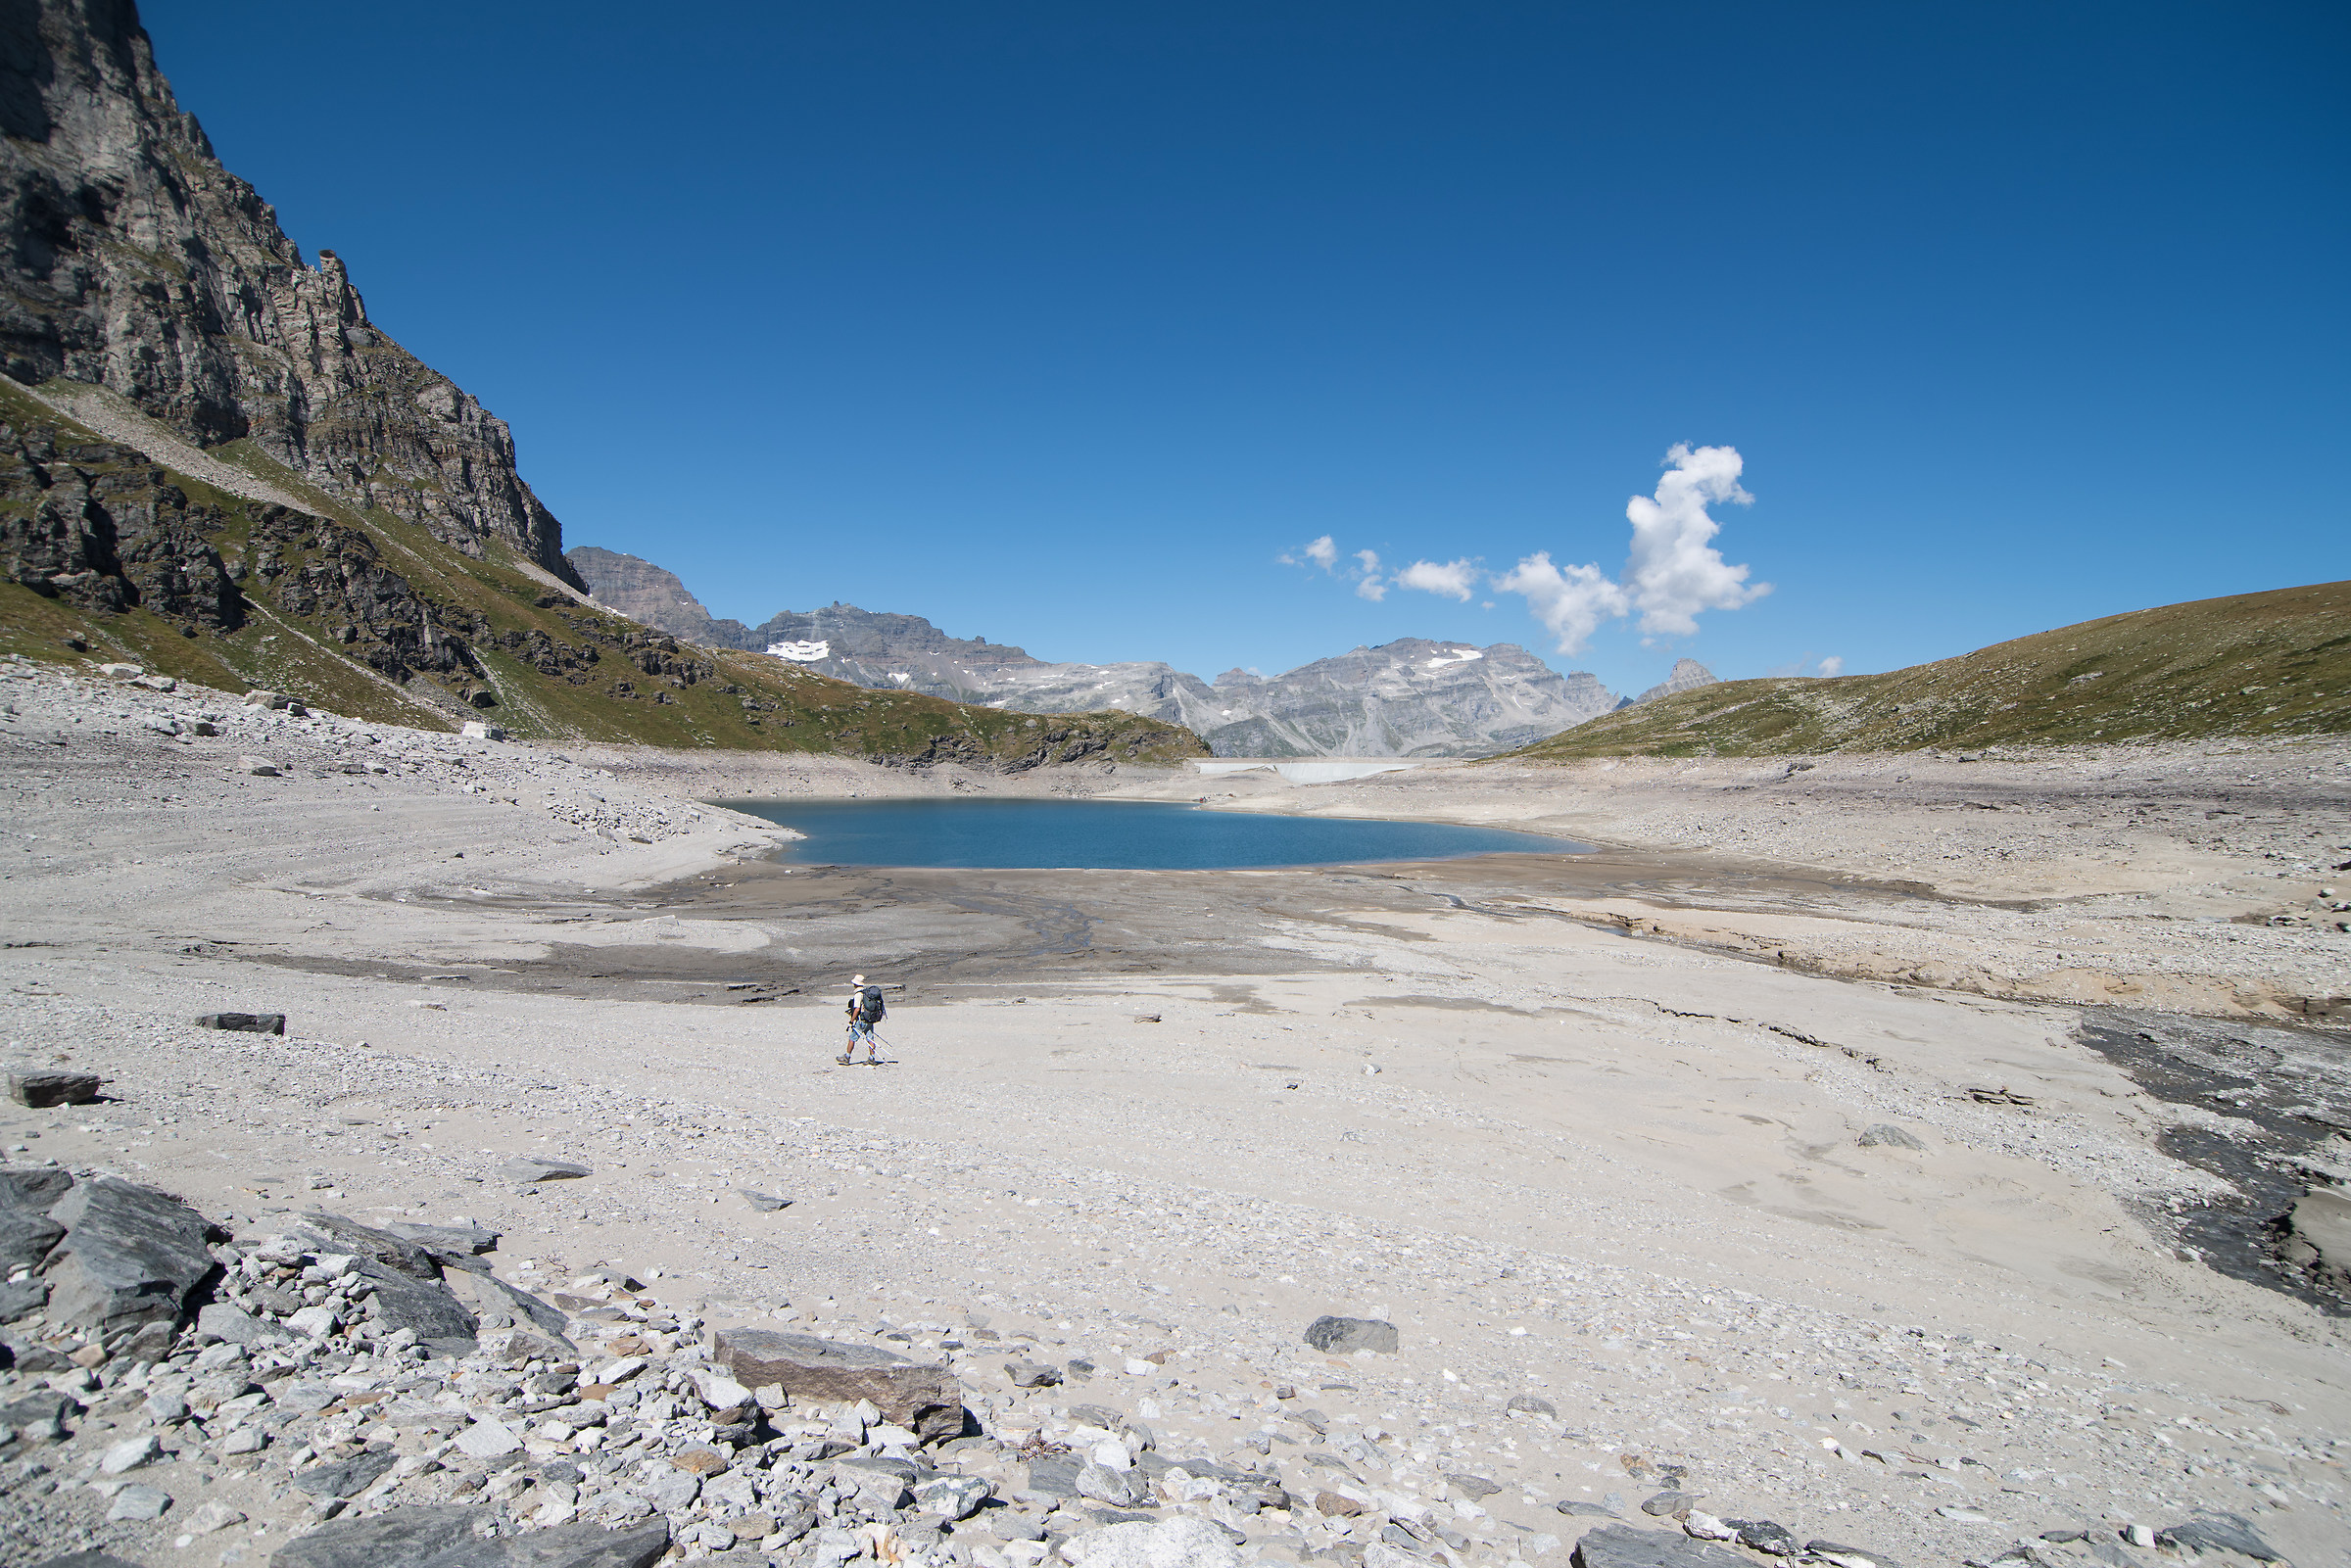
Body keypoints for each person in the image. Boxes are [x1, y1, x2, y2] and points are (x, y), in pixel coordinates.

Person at [840, 973, 887, 1065]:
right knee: (870, 1038)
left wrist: (851, 1021)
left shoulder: (858, 994)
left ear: (855, 984)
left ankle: (847, 1057)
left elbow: (857, 1009)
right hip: (869, 1019)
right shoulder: (866, 993)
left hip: (861, 1020)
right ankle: (872, 1058)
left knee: (853, 1038)